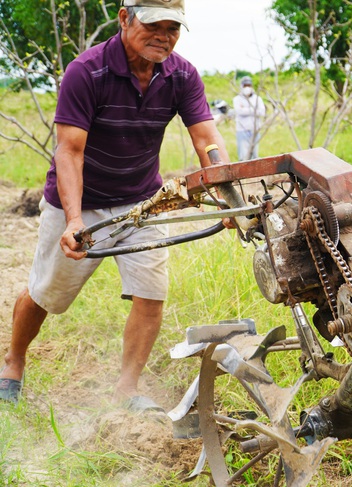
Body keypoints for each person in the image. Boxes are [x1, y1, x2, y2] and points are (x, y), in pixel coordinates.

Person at [0, 0, 231, 411]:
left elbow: (206, 140)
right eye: (153, 25)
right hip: (80, 202)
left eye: (173, 28)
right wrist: (73, 220)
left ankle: (126, 388)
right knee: (45, 294)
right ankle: (13, 361)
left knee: (151, 294)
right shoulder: (87, 71)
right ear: (124, 18)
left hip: (142, 199)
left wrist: (230, 193)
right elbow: (69, 152)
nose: (164, 36)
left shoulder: (182, 75)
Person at [233, 76, 266, 160]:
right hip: (242, 129)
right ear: (241, 86)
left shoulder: (258, 99)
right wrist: (254, 110)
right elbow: (239, 111)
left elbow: (262, 112)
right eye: (245, 85)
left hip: (255, 130)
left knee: (254, 154)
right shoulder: (237, 99)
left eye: (249, 85)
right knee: (243, 155)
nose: (247, 87)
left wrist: (245, 109)